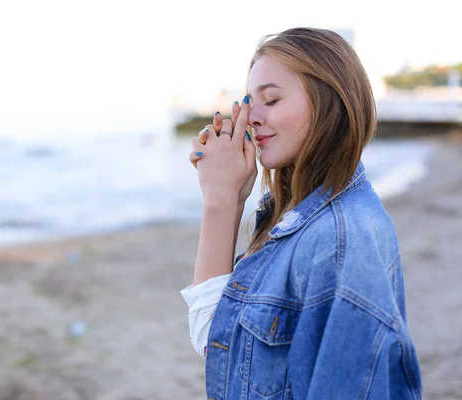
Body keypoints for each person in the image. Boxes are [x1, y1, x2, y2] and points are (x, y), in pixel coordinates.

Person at [180, 27, 422, 399]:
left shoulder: (338, 242)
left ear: (329, 101)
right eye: (248, 101)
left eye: (271, 100)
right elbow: (216, 339)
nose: (251, 117)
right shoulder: (293, 217)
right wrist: (223, 200)